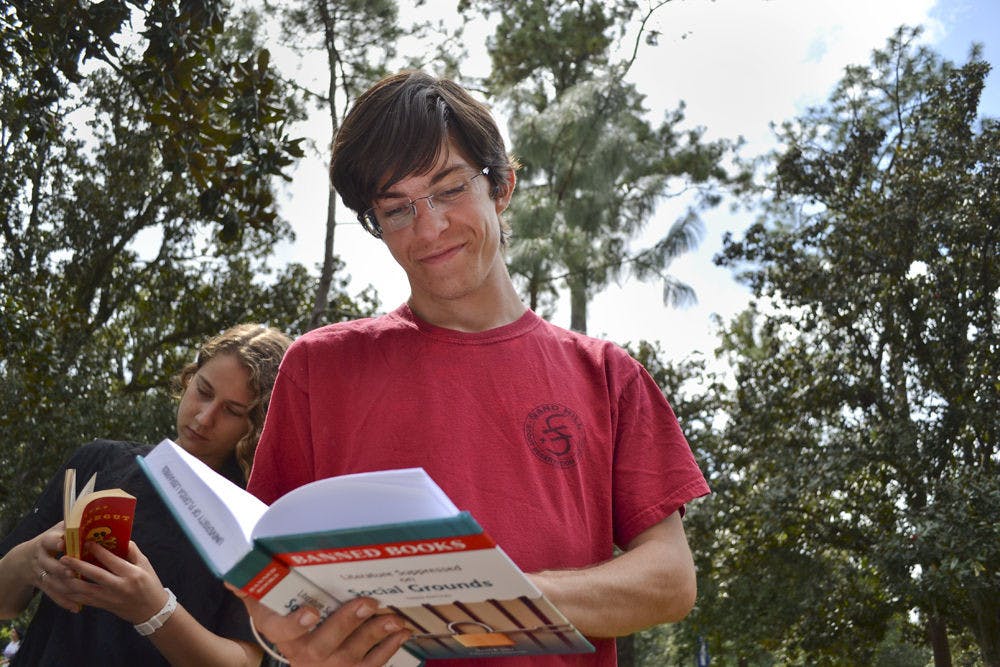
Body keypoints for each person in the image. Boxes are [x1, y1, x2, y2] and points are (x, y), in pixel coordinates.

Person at [238, 70, 711, 667]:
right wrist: (290, 635)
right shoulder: (318, 368)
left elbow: (670, 579)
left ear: (502, 185)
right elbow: (265, 577)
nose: (429, 227)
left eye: (449, 189)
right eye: (396, 209)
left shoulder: (609, 376)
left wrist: (490, 596)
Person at [0, 323, 292, 666]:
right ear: (189, 378)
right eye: (203, 390)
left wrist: (154, 611)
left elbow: (244, 661)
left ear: (258, 425)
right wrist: (29, 560)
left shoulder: (254, 520)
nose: (204, 417)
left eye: (232, 411)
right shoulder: (99, 461)